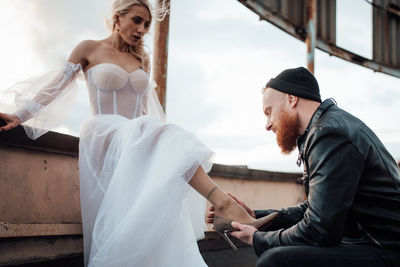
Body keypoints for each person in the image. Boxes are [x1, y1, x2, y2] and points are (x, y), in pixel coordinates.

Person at [0, 0, 276, 266]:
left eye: (146, 24)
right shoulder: (89, 48)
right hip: (104, 132)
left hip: (134, 135)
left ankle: (218, 209)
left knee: (161, 152)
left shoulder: (140, 59)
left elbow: (145, 113)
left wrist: (164, 150)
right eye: (136, 21)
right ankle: (223, 204)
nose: (142, 29)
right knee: (157, 131)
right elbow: (56, 84)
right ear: (117, 18)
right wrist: (21, 115)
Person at [208, 67, 400, 267]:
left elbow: (320, 229)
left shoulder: (330, 134)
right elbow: (315, 210)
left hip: (386, 248)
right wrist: (256, 217)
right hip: (370, 243)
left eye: (269, 112)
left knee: (276, 261)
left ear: (291, 100)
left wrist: (257, 239)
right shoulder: (326, 129)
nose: (267, 124)